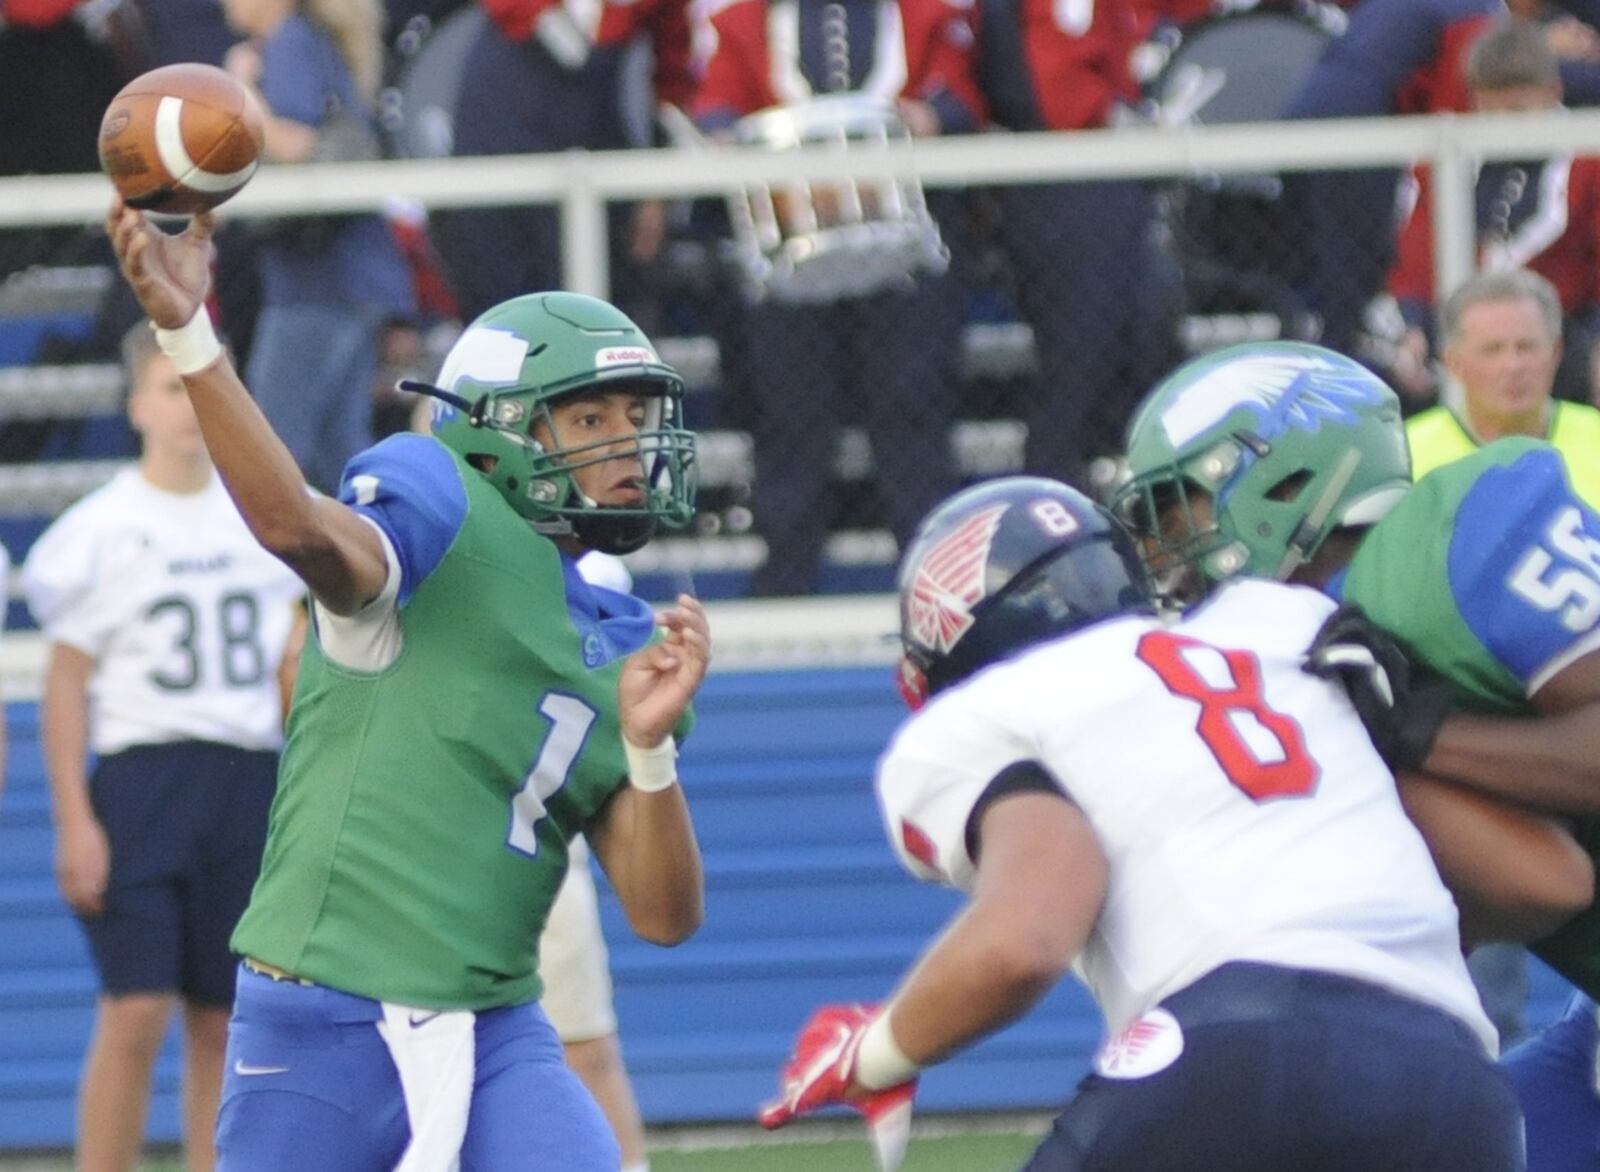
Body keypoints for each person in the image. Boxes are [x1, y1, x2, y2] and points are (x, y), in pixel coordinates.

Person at [104, 196, 707, 1171]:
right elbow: (298, 528)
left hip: (496, 1030)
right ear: (498, 432)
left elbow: (664, 914)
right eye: (589, 416)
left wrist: (648, 748)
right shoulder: (438, 497)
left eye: (636, 418)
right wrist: (188, 330)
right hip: (318, 1024)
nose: (627, 449)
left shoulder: (623, 632)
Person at [758, 475, 1523, 1171]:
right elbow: (1544, 883)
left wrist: (878, 1051)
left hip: (1239, 1051)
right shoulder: (1282, 627)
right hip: (1458, 1086)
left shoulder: (983, 714)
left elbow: (1026, 938)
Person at [1114, 339, 1600, 1171]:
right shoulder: (1298, 667)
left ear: (1283, 481)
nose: (1168, 551)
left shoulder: (1456, 532)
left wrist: (1424, 730)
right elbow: (1506, 901)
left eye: (1182, 510)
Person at [20, 323, 306, 1172]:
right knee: (136, 1008)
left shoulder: (264, 512)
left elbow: (294, 666)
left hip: (246, 775)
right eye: (170, 389)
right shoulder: (96, 530)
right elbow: (66, 682)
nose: (186, 410)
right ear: (137, 403)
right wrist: (74, 816)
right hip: (143, 781)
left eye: (198, 388)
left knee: (223, 1016)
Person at [690, 0, 984, 597]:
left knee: (913, 418)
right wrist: (723, 132)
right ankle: (786, 589)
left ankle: (935, 589)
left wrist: (932, 115)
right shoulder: (746, 22)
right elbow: (717, 101)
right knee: (792, 427)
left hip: (902, 256)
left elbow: (963, 98)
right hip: (793, 260)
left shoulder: (923, 15)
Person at [973, 0, 1172, 494]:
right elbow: (1063, 97)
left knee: (1130, 354)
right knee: (1080, 367)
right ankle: (1052, 514)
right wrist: (1135, 124)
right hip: (1070, 184)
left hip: (1101, 183)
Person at [220, 0, 417, 493]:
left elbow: (298, 145)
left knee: (270, 451)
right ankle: (371, 559)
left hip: (318, 280)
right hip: (348, 276)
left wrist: (240, 91)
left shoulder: (290, 41)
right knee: (340, 453)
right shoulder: (311, 39)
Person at [1388, 21, 1600, 407]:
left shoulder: (1588, 159)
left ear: (1552, 94)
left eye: (1518, 111)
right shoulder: (1448, 155)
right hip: (1459, 325)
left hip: (1561, 333)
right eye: (1490, 110)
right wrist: (1413, 324)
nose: (1503, 125)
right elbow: (1418, 249)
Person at [1409, 268, 1600, 507]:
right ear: (1454, 363)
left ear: (1555, 352)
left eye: (1526, 347)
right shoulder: (1408, 458)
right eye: (1493, 350)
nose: (1513, 365)